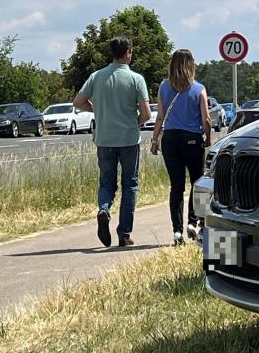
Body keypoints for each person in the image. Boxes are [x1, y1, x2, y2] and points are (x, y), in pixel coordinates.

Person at [73, 36, 151, 247]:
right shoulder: (136, 79)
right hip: (128, 139)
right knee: (130, 184)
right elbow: (146, 113)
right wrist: (135, 122)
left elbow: (78, 101)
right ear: (128, 53)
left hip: (104, 138)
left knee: (107, 182)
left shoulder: (96, 76)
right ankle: (124, 233)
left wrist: (96, 109)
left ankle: (104, 209)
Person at [150, 49, 211, 245]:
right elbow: (206, 119)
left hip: (170, 140)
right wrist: (208, 138)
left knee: (176, 186)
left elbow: (160, 116)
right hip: (193, 140)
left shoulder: (163, 87)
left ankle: (177, 231)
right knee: (198, 183)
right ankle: (195, 222)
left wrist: (154, 140)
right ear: (191, 65)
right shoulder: (199, 89)